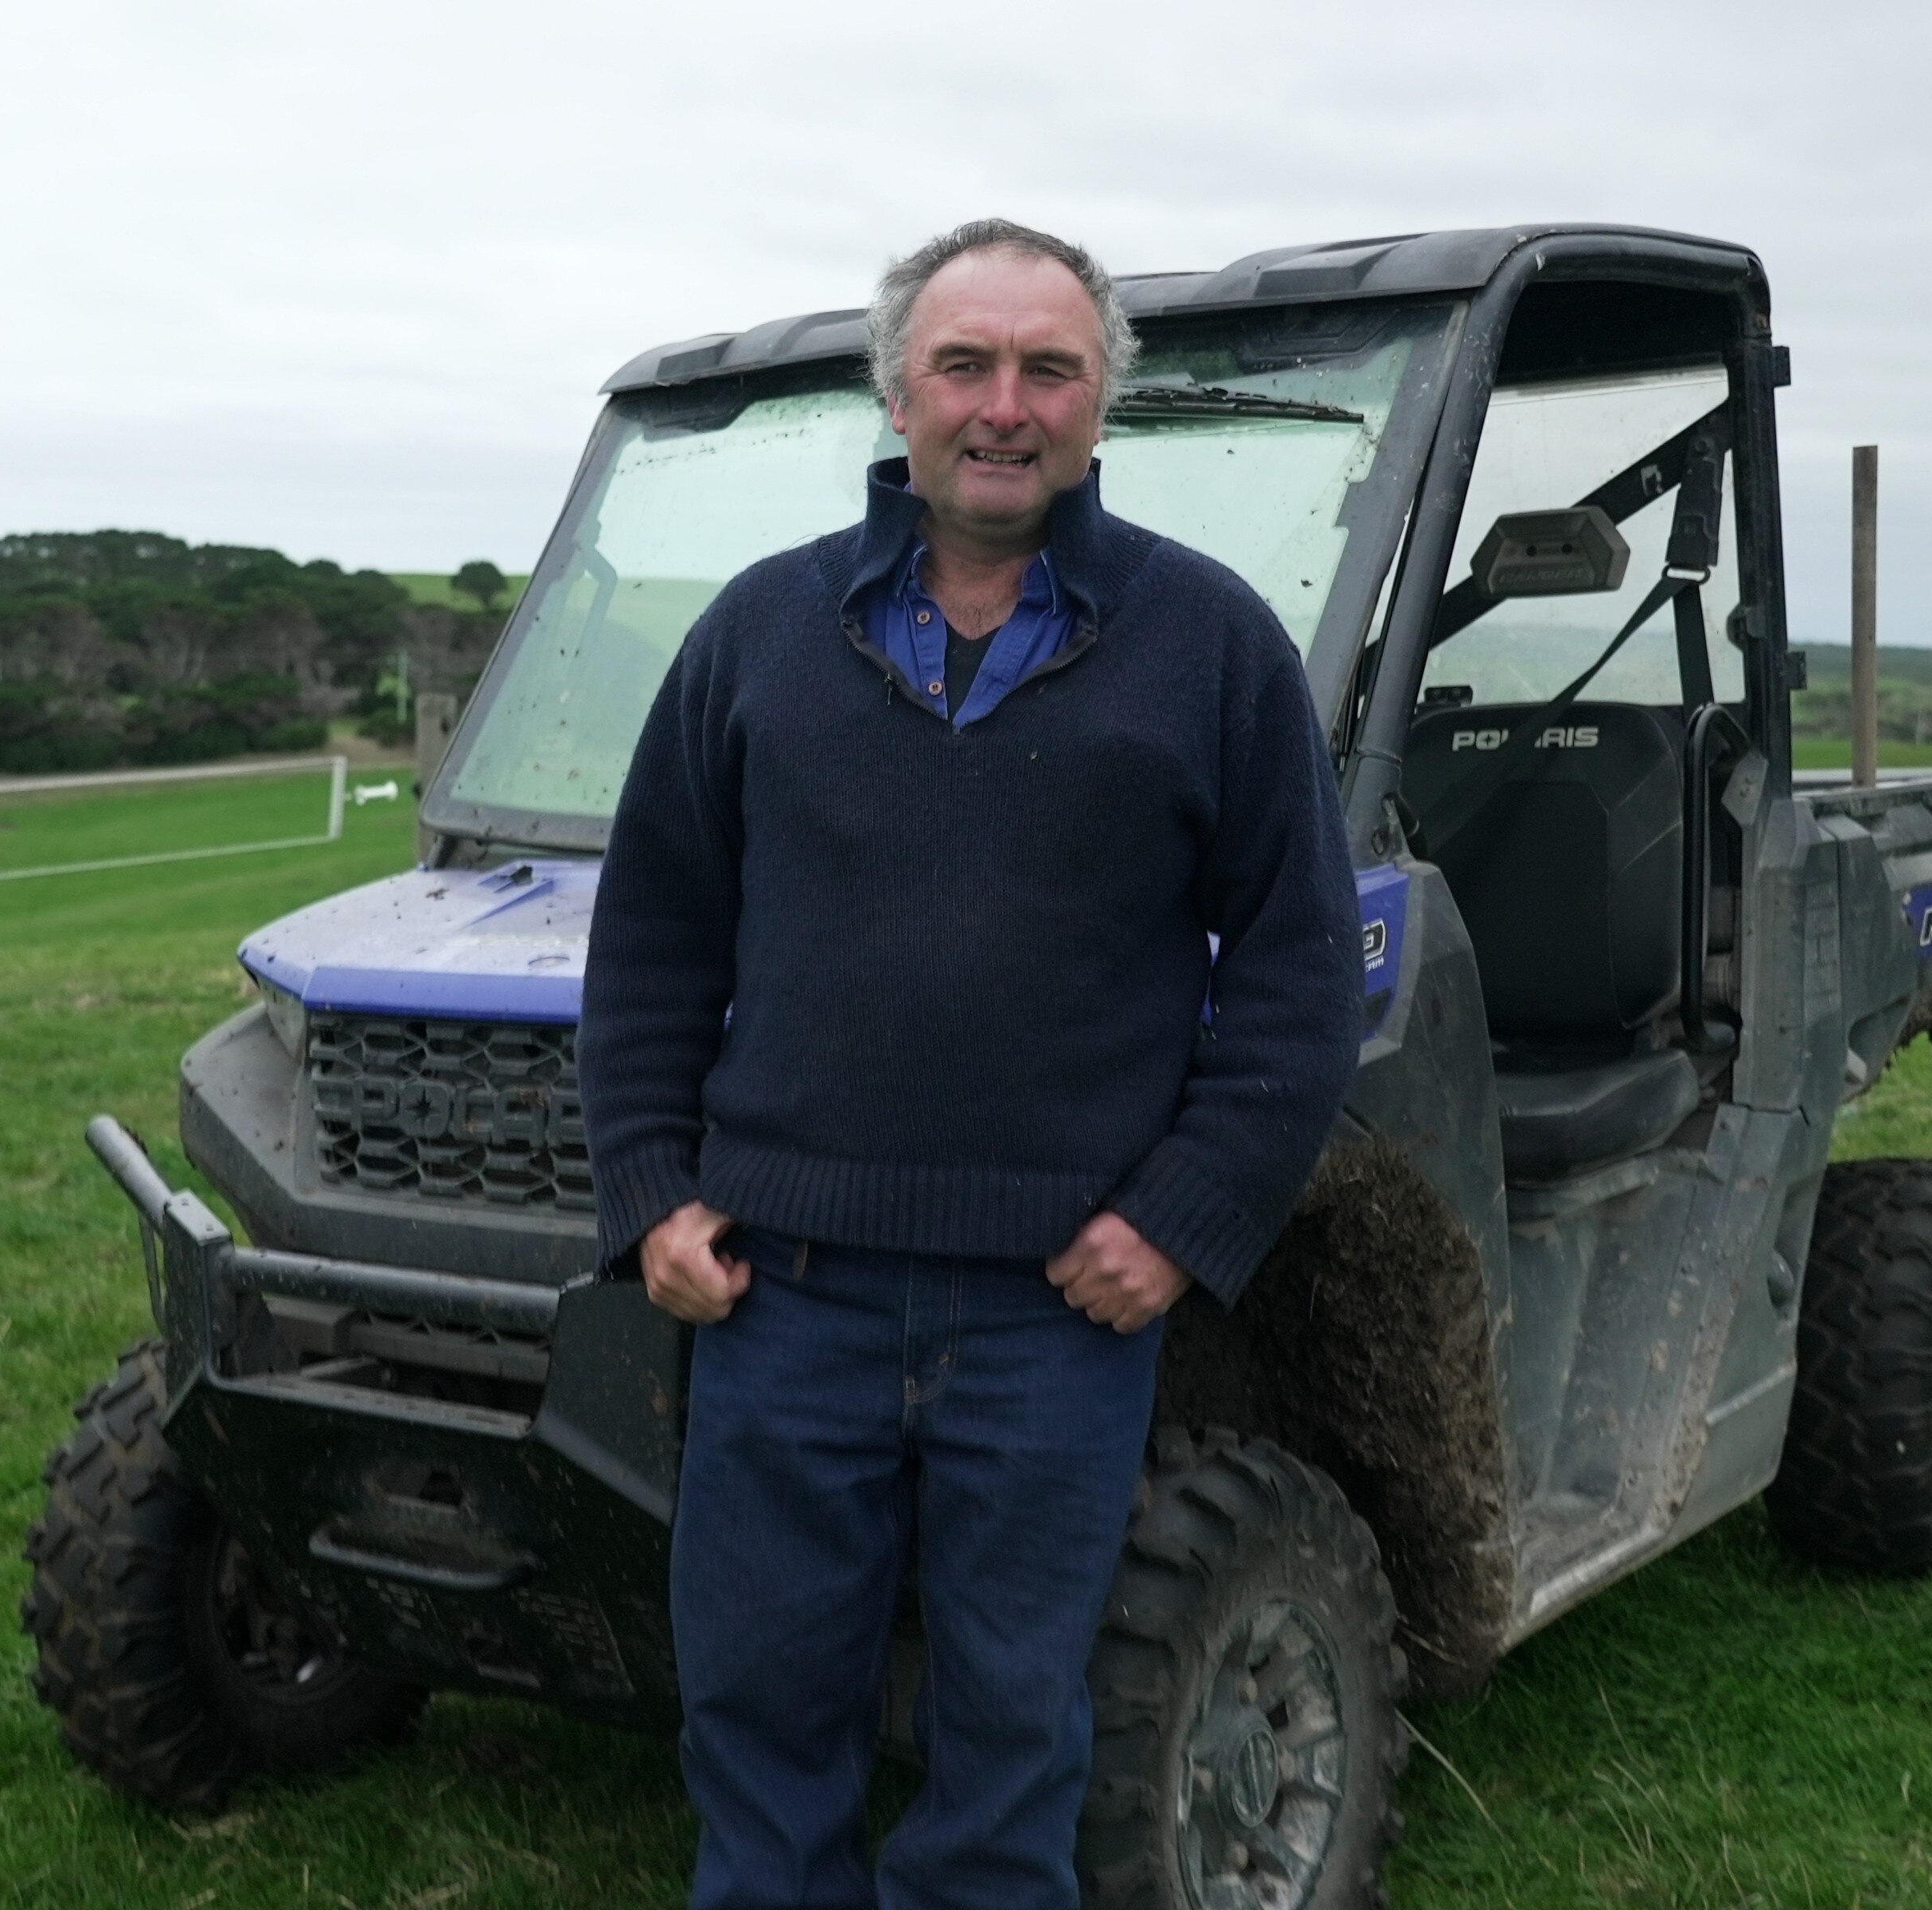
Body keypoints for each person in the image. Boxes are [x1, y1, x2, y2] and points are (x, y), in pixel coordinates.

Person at [581, 218, 1364, 1910]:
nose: (1000, 406)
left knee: (1012, 1734)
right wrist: (648, 1186)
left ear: (1100, 405)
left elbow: (1302, 971)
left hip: (1049, 1314)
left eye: (1045, 369)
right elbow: (649, 937)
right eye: (963, 365)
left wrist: (1179, 1217)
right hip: (778, 1299)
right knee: (760, 1714)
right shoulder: (754, 636)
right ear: (895, 390)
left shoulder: (1211, 646)